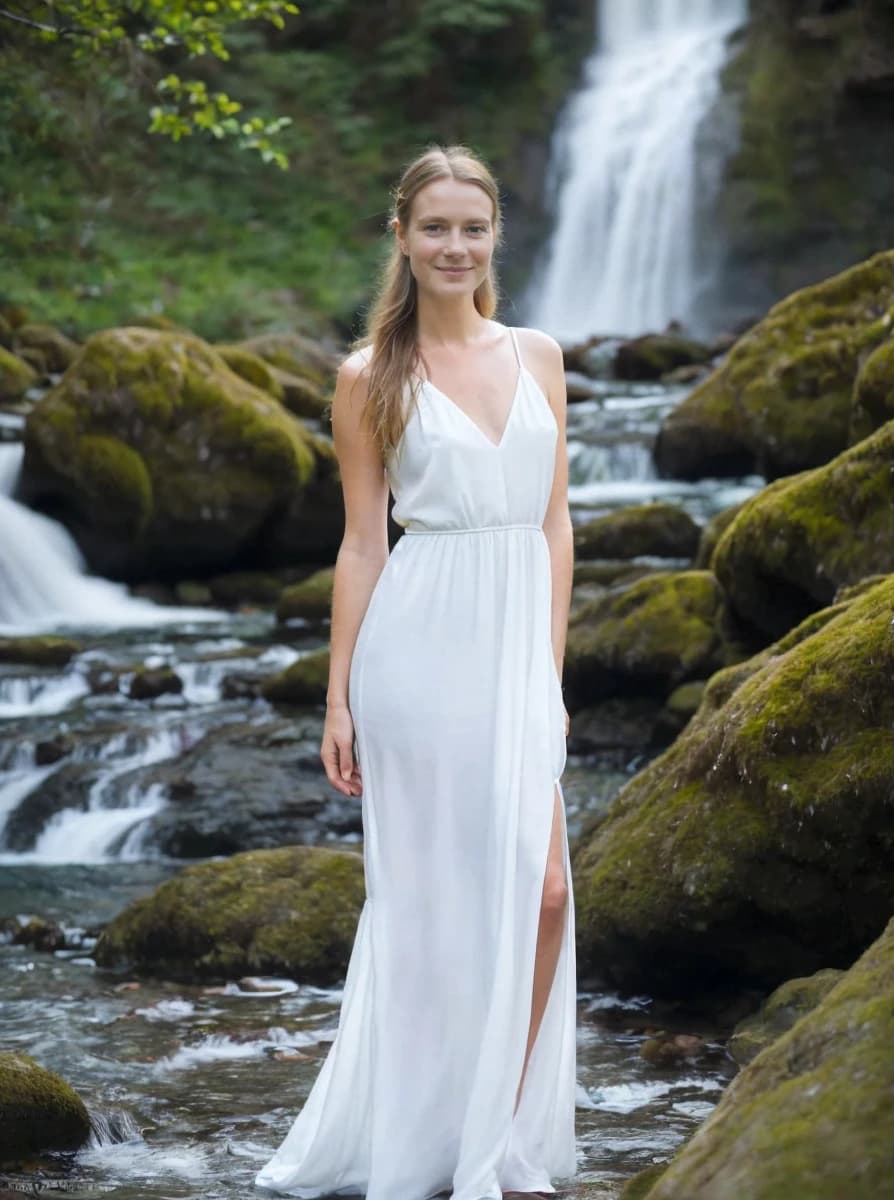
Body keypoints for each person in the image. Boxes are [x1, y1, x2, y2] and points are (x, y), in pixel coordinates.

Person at [255, 143, 576, 1200]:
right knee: (436, 907)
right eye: (433, 226)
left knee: (541, 897)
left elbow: (553, 523)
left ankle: (501, 1137)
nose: (453, 245)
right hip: (418, 650)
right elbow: (361, 544)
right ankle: (441, 1143)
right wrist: (338, 695)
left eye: (471, 227)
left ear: (494, 238)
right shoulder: (368, 378)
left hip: (512, 648)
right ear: (400, 236)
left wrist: (550, 675)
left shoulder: (538, 356)